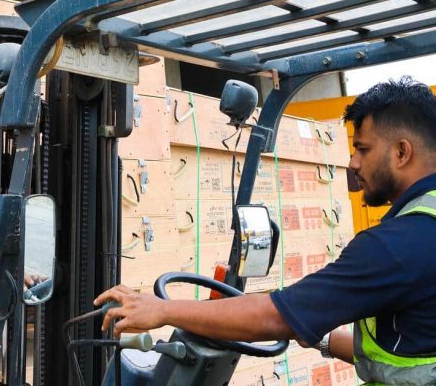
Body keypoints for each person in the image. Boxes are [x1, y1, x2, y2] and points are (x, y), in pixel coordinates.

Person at [96, 77, 436, 385]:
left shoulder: (398, 245)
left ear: (402, 152)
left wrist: (163, 310)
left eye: (362, 149)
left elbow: (276, 317)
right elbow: (410, 351)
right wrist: (318, 335)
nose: (353, 163)